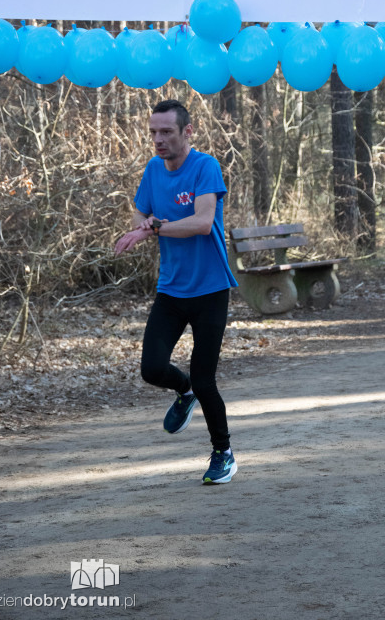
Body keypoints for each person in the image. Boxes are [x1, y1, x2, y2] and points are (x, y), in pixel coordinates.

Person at [114, 99, 238, 485]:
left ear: (188, 132)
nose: (158, 139)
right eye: (153, 132)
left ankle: (223, 453)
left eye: (166, 131)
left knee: (206, 380)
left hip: (211, 289)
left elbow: (202, 223)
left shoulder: (205, 167)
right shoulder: (153, 169)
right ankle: (182, 392)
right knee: (151, 369)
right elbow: (141, 213)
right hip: (171, 289)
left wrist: (153, 228)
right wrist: (143, 223)